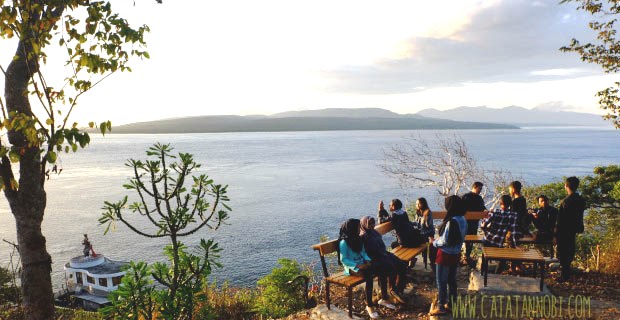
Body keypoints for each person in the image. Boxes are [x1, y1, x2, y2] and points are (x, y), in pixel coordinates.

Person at [339, 219, 395, 318]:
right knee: (368, 276)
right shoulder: (344, 242)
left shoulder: (358, 238)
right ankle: (369, 305)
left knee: (382, 268)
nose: (359, 229)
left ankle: (384, 298)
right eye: (357, 227)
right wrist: (358, 265)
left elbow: (364, 252)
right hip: (352, 268)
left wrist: (368, 260)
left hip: (363, 263)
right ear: (351, 229)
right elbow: (344, 259)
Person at [429, 195, 467, 316]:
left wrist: (434, 242)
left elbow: (445, 241)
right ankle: (451, 304)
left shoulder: (452, 221)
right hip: (455, 253)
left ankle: (441, 307)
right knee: (451, 280)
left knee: (441, 281)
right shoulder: (463, 219)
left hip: (445, 254)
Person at [360, 216, 407, 304]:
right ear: (364, 224)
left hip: (383, 253)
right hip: (374, 258)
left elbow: (381, 246)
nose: (372, 225)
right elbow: (364, 252)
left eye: (373, 223)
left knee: (402, 263)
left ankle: (398, 288)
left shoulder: (374, 232)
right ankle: (392, 289)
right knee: (390, 267)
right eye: (369, 223)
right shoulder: (363, 236)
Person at [554, 176, 586, 283]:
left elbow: (560, 220)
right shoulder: (581, 200)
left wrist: (556, 234)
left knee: (563, 251)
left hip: (564, 230)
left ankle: (565, 274)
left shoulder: (565, 201)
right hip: (574, 228)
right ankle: (566, 272)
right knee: (570, 249)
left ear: (566, 186)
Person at [461, 182, 486, 266]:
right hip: (469, 223)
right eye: (480, 188)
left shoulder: (467, 197)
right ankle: (466, 256)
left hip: (470, 222)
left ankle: (466, 256)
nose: (480, 191)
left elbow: (483, 209)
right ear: (475, 187)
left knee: (469, 240)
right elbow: (483, 209)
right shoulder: (468, 197)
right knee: (468, 240)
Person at [413, 197, 436, 270]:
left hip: (428, 234)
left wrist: (422, 233)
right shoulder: (418, 212)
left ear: (422, 204)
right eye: (416, 203)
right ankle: (412, 259)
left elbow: (430, 227)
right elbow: (416, 223)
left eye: (418, 203)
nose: (416, 205)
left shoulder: (428, 213)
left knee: (415, 240)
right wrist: (408, 223)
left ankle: (428, 262)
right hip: (421, 234)